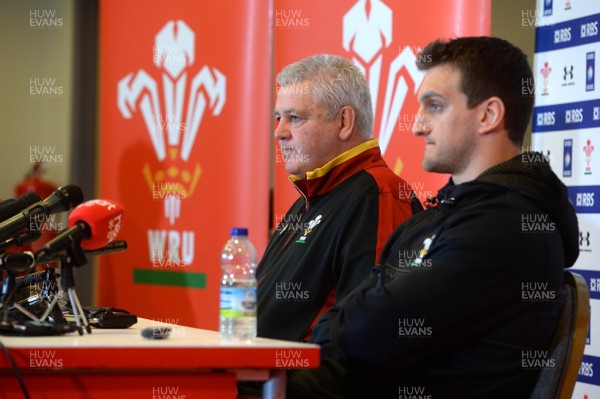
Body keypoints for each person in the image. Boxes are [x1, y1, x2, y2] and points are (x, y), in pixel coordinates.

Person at [286, 37, 580, 399]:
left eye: (435, 106)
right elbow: (357, 323)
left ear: (489, 115)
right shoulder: (438, 216)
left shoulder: (506, 228)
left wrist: (348, 324)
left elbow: (368, 333)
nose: (418, 126)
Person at [257, 54, 422, 342]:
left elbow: (371, 331)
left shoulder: (378, 193)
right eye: (278, 118)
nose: (279, 132)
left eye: (294, 118)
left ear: (344, 121)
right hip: (262, 382)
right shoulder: (312, 195)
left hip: (297, 385)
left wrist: (291, 384)